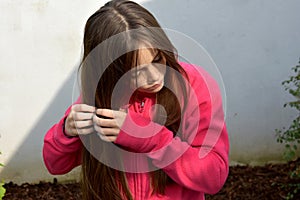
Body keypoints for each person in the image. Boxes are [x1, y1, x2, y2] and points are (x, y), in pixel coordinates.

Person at [43, 0, 229, 199]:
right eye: (135, 72)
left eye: (157, 59)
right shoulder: (103, 96)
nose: (155, 76)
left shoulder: (194, 87)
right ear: (111, 73)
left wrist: (150, 137)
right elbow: (55, 164)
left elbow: (214, 176)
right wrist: (66, 133)